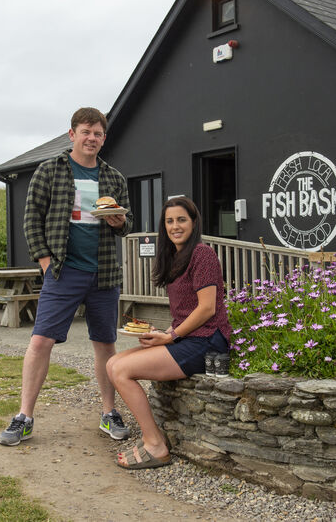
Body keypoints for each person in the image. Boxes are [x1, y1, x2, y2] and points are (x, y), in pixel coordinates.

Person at [0, 107, 134, 446]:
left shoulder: (114, 178)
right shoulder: (49, 171)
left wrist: (120, 222)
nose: (92, 138)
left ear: (104, 139)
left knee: (105, 343)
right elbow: (31, 219)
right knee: (41, 341)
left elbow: (126, 224)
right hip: (64, 270)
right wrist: (46, 262)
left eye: (98, 133)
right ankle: (24, 416)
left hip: (103, 272)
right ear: (72, 134)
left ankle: (108, 412)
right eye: (86, 131)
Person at [106, 196, 232, 469]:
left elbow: (207, 309)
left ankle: (156, 445)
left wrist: (171, 336)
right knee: (112, 363)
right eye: (169, 221)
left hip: (208, 341)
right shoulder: (175, 257)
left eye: (181, 220)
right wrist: (163, 333)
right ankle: (152, 436)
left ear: (194, 222)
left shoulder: (202, 254)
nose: (175, 226)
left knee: (120, 371)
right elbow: (185, 314)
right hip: (188, 338)